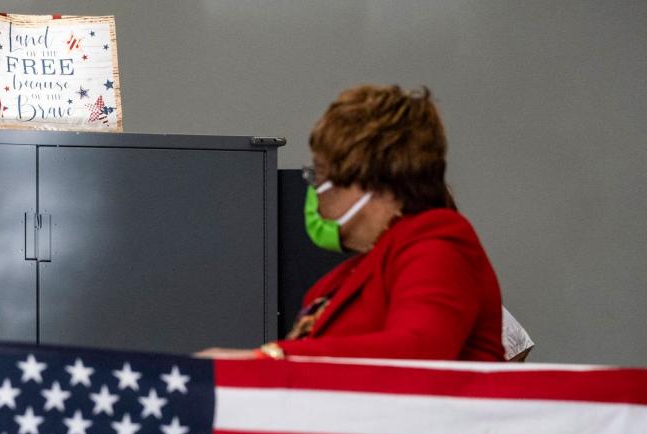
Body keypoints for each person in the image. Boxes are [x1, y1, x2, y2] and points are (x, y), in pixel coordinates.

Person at [202, 84, 504, 361]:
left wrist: (269, 358)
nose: (314, 189)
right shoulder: (345, 276)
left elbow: (416, 350)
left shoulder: (437, 244)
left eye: (319, 174)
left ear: (369, 178)